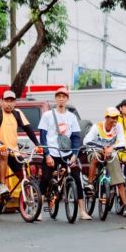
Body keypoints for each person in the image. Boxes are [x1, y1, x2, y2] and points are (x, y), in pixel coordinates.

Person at [38, 87, 90, 221]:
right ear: (56, 99)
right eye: (59, 96)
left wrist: (74, 154)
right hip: (51, 152)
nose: (61, 99)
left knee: (77, 178)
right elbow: (43, 137)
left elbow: (76, 137)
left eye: (64, 97)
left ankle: (82, 211)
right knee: (45, 178)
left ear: (67, 99)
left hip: (67, 153)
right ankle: (39, 211)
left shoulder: (71, 117)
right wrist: (47, 154)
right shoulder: (47, 115)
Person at [0, 90, 40, 197]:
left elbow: (28, 129)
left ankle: (27, 196)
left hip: (13, 150)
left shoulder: (17, 113)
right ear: (1, 101)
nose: (9, 104)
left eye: (11, 101)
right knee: (3, 153)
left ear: (15, 103)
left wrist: (37, 144)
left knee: (24, 173)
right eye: (7, 101)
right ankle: (2, 185)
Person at [83, 107, 126, 217]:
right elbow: (86, 140)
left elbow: (122, 141)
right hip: (96, 151)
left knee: (119, 180)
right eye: (112, 118)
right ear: (106, 118)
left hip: (110, 153)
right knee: (95, 158)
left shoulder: (118, 127)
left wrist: (112, 147)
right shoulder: (97, 126)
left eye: (116, 117)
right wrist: (102, 148)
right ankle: (90, 184)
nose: (115, 120)